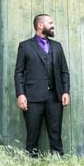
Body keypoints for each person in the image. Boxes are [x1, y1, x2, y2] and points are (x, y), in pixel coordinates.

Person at [14, 13, 71, 156]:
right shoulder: (25, 46)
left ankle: (58, 163)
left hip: (54, 97)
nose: (53, 26)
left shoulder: (57, 47)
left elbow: (64, 71)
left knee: (55, 134)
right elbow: (19, 72)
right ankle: (32, 165)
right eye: (50, 23)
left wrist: (65, 91)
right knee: (32, 135)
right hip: (32, 98)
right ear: (40, 25)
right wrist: (20, 94)